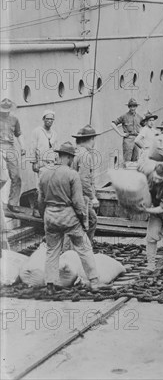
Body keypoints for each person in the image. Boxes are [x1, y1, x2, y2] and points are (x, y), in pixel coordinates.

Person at [38, 142, 101, 294]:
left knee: (52, 250)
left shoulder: (44, 173)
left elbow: (40, 200)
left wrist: (44, 217)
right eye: (71, 157)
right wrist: (83, 220)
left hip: (50, 215)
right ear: (68, 157)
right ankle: (94, 282)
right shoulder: (73, 174)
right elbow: (78, 202)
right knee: (84, 247)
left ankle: (50, 285)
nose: (72, 160)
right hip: (68, 216)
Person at [72, 125, 100, 244]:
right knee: (91, 220)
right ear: (90, 139)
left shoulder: (73, 151)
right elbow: (83, 179)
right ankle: (85, 250)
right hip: (81, 197)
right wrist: (92, 197)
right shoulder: (85, 155)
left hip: (70, 195)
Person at [0, 99, 25, 212]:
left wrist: (23, 147)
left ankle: (12, 203)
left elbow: (19, 134)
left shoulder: (14, 119)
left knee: (16, 177)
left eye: (7, 110)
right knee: (2, 178)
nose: (5, 112)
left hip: (10, 148)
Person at [111, 98, 143, 162]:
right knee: (127, 161)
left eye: (134, 106)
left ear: (136, 107)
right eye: (131, 106)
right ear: (128, 107)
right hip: (128, 140)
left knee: (135, 161)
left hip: (137, 140)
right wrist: (121, 134)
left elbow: (145, 127)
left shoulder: (139, 117)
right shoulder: (124, 116)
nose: (132, 108)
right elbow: (113, 124)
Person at [31, 109, 58, 175]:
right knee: (40, 183)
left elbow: (56, 149)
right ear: (43, 119)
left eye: (51, 119)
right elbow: (32, 148)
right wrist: (34, 163)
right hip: (40, 162)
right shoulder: (37, 131)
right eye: (47, 119)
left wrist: (56, 161)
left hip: (51, 162)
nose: (49, 121)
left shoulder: (54, 133)